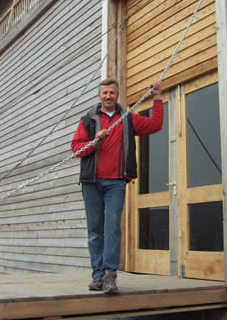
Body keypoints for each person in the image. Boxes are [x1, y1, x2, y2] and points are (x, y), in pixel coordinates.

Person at [71, 78, 163, 294]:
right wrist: (95, 141)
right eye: (104, 93)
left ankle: (110, 275)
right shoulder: (88, 121)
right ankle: (98, 276)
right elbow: (76, 149)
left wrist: (157, 98)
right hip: (91, 183)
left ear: (117, 95)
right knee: (95, 231)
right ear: (99, 96)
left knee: (112, 228)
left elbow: (155, 125)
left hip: (116, 183)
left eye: (112, 93)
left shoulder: (128, 119)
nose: (108, 96)